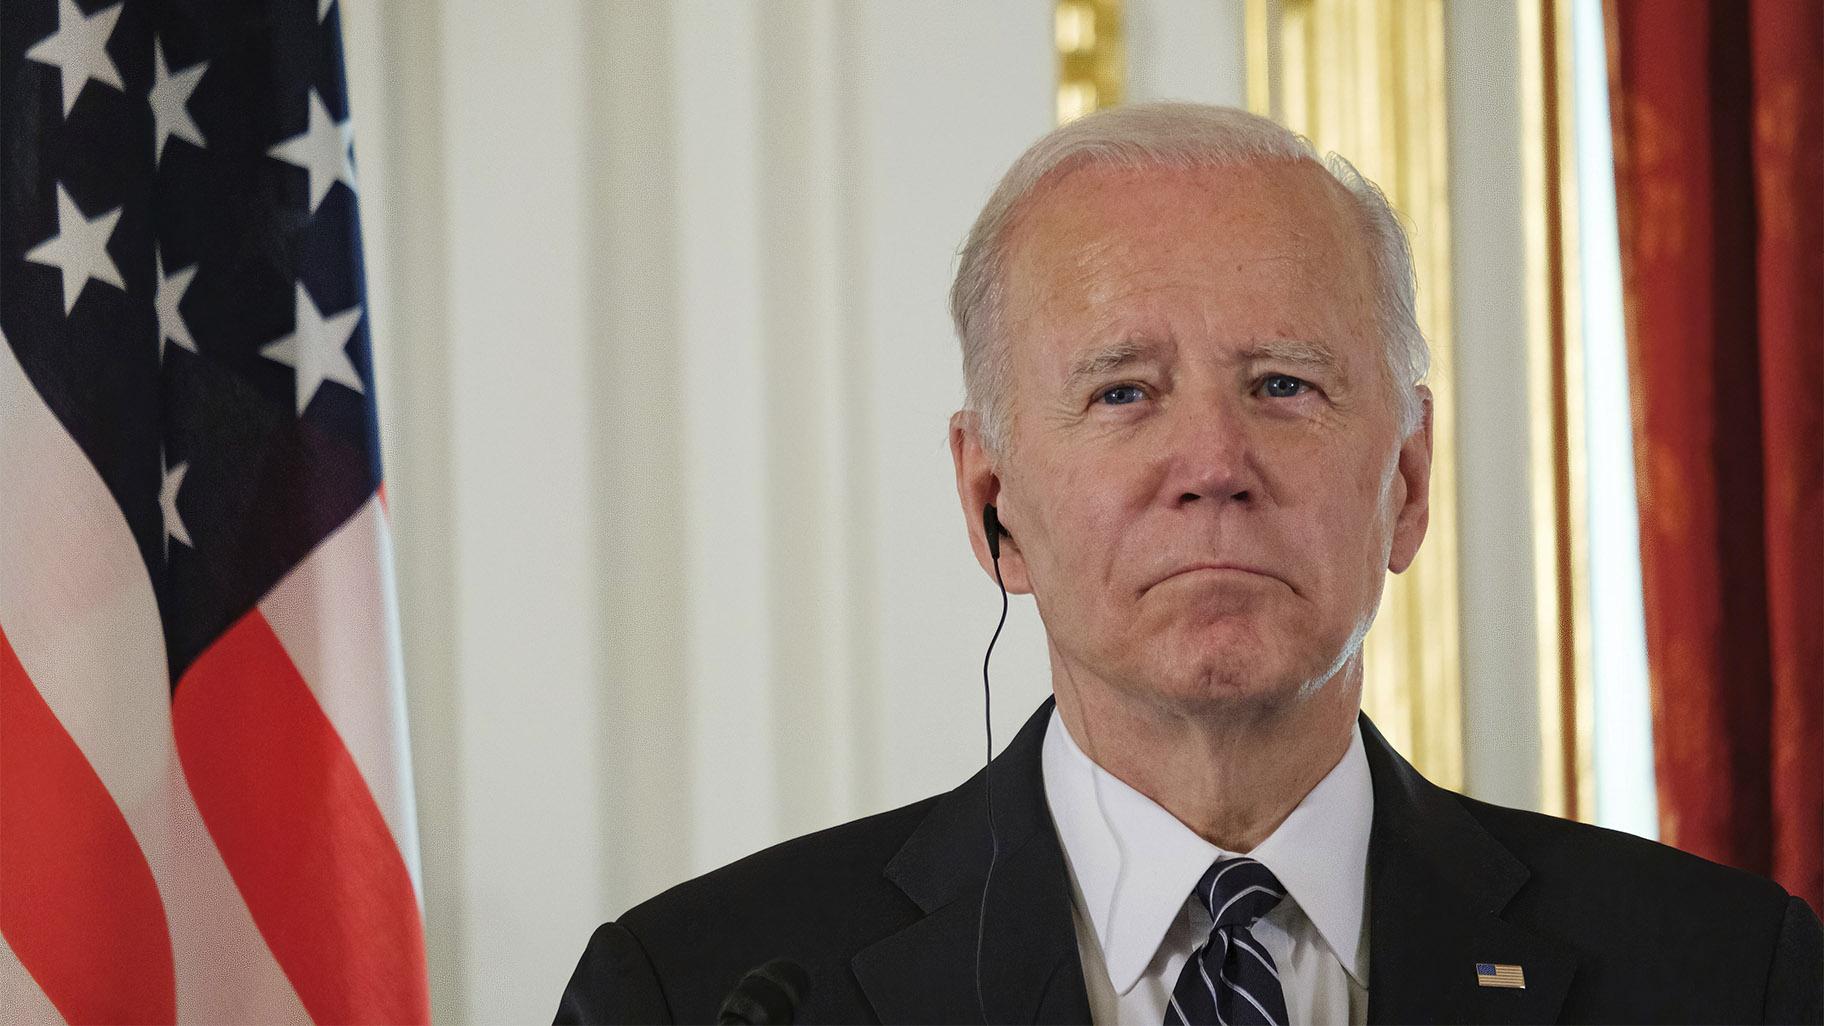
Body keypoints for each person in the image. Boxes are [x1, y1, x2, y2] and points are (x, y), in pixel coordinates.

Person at [555, 102, 1822, 1026]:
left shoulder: (1725, 976)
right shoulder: (705, 990)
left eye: (1285, 383)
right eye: (1122, 393)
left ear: (1410, 481)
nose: (1214, 461)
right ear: (990, 499)